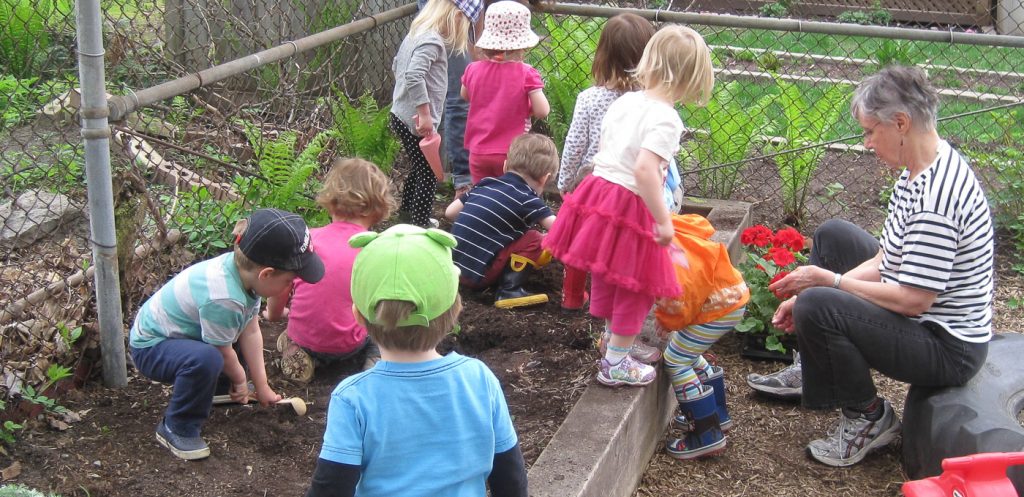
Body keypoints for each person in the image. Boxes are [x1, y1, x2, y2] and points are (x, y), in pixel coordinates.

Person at [748, 65, 994, 467]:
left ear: (900, 123)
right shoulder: (918, 168)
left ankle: (868, 418)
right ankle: (815, 366)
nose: (865, 143)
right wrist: (825, 284)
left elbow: (913, 300)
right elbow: (887, 259)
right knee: (832, 236)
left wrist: (828, 285)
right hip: (923, 316)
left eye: (869, 131)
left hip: (948, 347)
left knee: (818, 303)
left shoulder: (938, 198)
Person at [543, 25, 716, 387]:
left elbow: (610, 151)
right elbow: (645, 170)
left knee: (607, 271)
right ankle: (617, 362)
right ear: (691, 78)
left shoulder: (625, 101)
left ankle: (613, 342)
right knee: (638, 285)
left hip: (599, 192)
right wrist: (662, 220)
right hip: (630, 202)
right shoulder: (667, 118)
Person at [304, 224, 528, 497]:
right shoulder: (479, 379)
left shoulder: (353, 398)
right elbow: (511, 479)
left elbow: (331, 487)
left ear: (359, 316)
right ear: (454, 310)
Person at [129, 208, 324, 460]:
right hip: (152, 347)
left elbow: (251, 329)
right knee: (207, 358)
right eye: (290, 281)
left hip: (187, 336)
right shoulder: (224, 296)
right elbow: (221, 349)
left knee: (228, 339)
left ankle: (217, 388)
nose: (291, 287)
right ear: (266, 274)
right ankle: (177, 426)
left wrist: (262, 387)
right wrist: (241, 379)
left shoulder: (245, 278)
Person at [556, 13, 655, 311]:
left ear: (602, 55)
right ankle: (612, 302)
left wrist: (564, 183)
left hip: (591, 182)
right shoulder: (651, 103)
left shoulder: (589, 98)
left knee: (579, 241)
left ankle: (572, 297)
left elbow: (574, 145)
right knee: (617, 244)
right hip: (629, 186)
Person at [265, 158, 396, 382]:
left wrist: (275, 315)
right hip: (350, 346)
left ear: (331, 200)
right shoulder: (374, 249)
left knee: (292, 333)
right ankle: (374, 361)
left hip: (307, 339)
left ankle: (297, 352)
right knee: (381, 327)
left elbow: (281, 288)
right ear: (377, 208)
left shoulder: (308, 238)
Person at [654, 214, 749, 460]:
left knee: (676, 360)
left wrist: (666, 318)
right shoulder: (667, 226)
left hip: (717, 308)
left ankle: (706, 434)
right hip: (730, 297)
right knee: (685, 349)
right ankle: (716, 414)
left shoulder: (660, 251)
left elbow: (679, 291)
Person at [445, 133, 557, 308]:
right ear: (545, 178)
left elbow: (449, 213)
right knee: (536, 238)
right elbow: (559, 230)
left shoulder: (485, 184)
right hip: (479, 276)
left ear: (505, 166)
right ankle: (509, 290)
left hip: (450, 269)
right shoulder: (528, 199)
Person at [390, 0, 471, 228]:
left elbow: (397, 66)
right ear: (452, 17)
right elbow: (414, 75)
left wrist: (404, 98)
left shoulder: (417, 32)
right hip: (416, 120)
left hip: (401, 114)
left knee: (419, 167)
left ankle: (407, 213)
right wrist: (423, 112)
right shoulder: (432, 42)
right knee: (428, 173)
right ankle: (420, 224)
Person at [461, 1, 550, 184]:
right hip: (512, 152)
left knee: (484, 197)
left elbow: (465, 95)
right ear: (522, 45)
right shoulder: (527, 73)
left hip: (478, 151)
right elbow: (543, 111)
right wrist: (527, 107)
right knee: (509, 198)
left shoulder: (473, 69)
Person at [414, 0, 483, 200]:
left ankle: (464, 174)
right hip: (449, 8)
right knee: (458, 97)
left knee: (460, 91)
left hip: (466, 10)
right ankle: (462, 180)